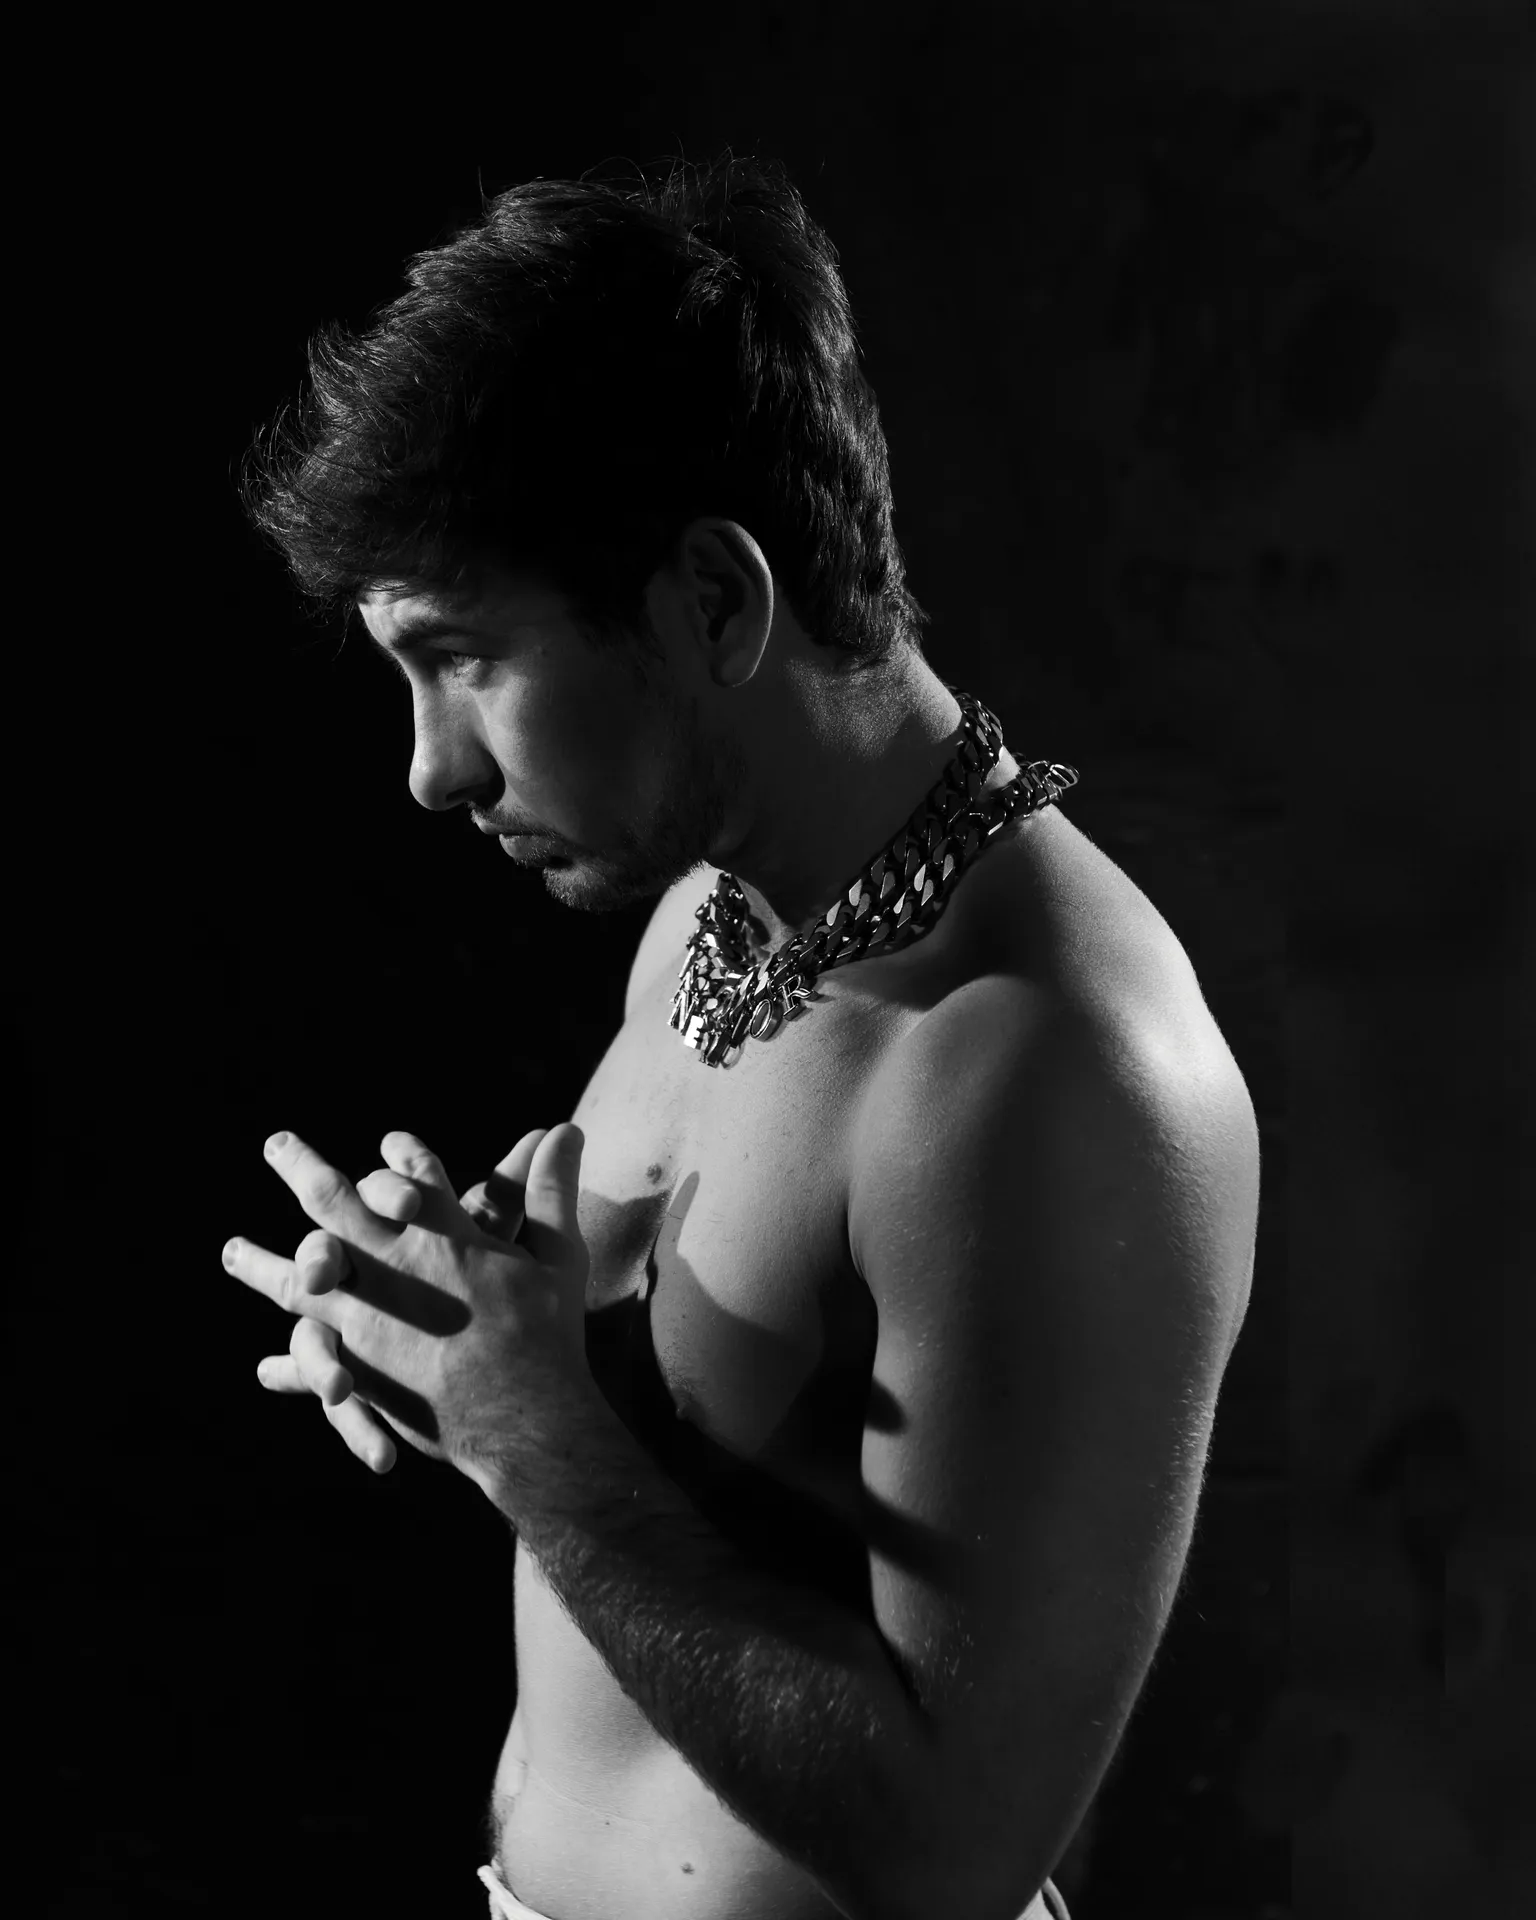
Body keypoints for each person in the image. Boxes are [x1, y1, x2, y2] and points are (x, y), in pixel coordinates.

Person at [226, 153, 1260, 1920]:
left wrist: (534, 1436)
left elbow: (954, 1856)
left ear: (715, 600)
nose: (430, 770)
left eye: (466, 658)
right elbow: (712, 1502)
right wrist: (461, 1340)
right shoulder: (707, 917)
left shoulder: (1042, 1070)